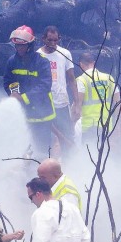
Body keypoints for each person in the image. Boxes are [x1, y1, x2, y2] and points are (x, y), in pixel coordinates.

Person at [3, 26, 55, 159]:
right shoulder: (12, 61)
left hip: (42, 115)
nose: (19, 48)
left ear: (30, 45)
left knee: (42, 151)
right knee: (23, 148)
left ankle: (43, 169)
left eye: (22, 46)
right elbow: (8, 81)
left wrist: (24, 97)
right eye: (17, 45)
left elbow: (45, 86)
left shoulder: (42, 61)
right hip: (23, 114)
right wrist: (13, 93)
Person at [37, 26, 79, 154]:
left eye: (56, 40)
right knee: (44, 139)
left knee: (67, 136)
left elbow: (71, 79)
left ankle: (68, 163)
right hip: (45, 104)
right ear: (43, 39)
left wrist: (77, 103)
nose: (53, 43)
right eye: (50, 40)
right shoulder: (38, 55)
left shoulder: (65, 53)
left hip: (62, 102)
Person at [75, 51, 120, 146]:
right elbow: (118, 103)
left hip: (88, 127)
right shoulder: (109, 78)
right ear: (94, 63)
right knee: (104, 152)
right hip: (107, 125)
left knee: (90, 152)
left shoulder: (81, 80)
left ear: (81, 65)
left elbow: (77, 105)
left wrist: (72, 122)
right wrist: (117, 124)